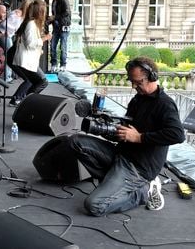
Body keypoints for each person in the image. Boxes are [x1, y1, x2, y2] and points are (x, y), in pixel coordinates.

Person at [68, 57, 185, 216]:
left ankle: (143, 192)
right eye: (132, 81)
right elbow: (128, 129)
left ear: (152, 77)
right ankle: (112, 182)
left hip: (138, 167)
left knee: (94, 205)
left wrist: (139, 138)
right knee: (74, 142)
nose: (134, 86)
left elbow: (178, 134)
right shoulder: (138, 99)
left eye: (138, 82)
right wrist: (112, 131)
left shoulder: (165, 104)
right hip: (121, 154)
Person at [9, 0, 51, 106]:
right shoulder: (31, 24)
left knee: (35, 82)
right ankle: (26, 102)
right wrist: (44, 38)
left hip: (27, 60)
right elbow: (30, 44)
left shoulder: (31, 23)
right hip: (26, 61)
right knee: (42, 81)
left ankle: (25, 101)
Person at [45, 0, 71, 72]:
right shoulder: (54, 1)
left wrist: (54, 17)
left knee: (63, 46)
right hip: (56, 26)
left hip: (64, 26)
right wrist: (50, 20)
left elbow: (66, 13)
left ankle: (63, 65)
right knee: (53, 45)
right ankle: (54, 64)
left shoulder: (63, 0)